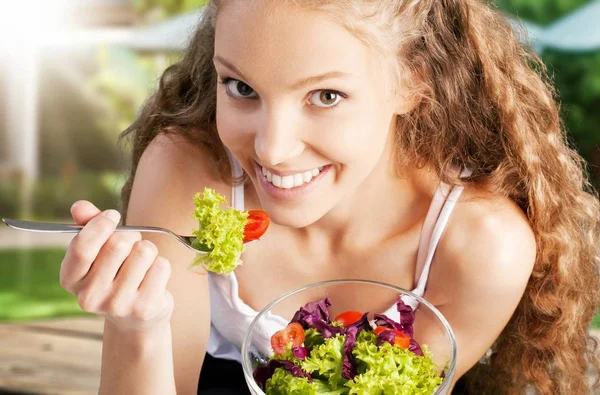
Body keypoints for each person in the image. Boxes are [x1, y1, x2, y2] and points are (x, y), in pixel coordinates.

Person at [59, 0, 600, 394]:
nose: (272, 148)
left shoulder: (479, 246)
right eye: (241, 88)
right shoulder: (187, 172)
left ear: (413, 82)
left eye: (325, 95)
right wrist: (139, 324)